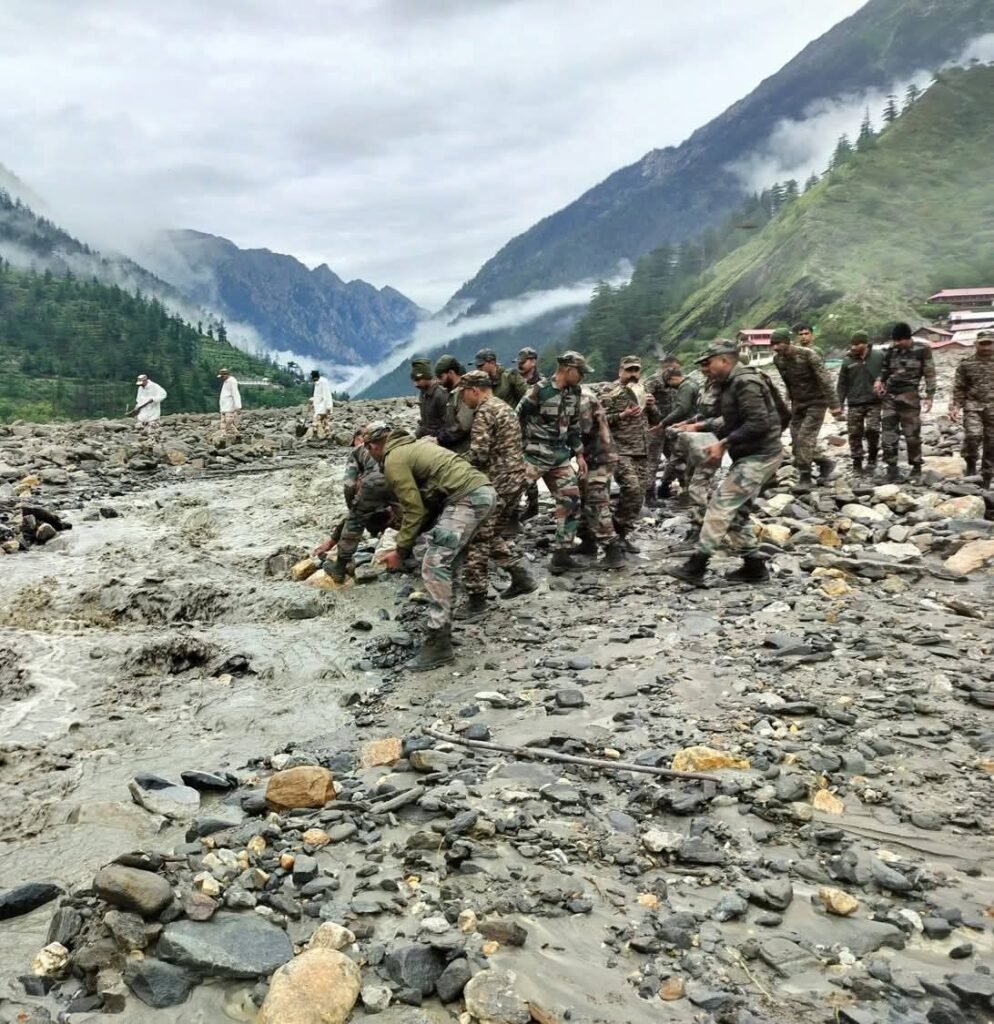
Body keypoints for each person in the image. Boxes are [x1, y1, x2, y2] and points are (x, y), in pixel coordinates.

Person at [366, 426, 496, 671]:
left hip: (467, 499)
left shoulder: (393, 459)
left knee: (434, 566)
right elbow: (427, 506)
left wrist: (400, 550)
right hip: (483, 492)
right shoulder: (415, 447)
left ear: (373, 447)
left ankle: (438, 644)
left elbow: (414, 509)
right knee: (449, 565)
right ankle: (443, 634)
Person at [667, 341, 784, 584]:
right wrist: (699, 425)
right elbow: (731, 419)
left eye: (708, 363)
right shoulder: (730, 383)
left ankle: (696, 567)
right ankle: (754, 568)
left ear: (725, 360)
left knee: (720, 507)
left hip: (760, 456)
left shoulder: (745, 382)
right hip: (753, 454)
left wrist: (724, 443)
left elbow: (758, 422)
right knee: (737, 514)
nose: (704, 369)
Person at [456, 370, 537, 619]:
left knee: (477, 539)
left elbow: (479, 454)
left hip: (497, 483)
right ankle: (520, 575)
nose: (463, 400)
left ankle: (477, 601)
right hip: (515, 481)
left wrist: (451, 463)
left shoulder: (485, 412)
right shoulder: (503, 407)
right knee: (490, 536)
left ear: (474, 390)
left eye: (463, 395)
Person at [516, 351, 589, 575]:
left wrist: (579, 454)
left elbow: (574, 425)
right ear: (568, 369)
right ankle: (490, 548)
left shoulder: (574, 392)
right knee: (505, 498)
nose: (583, 377)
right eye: (581, 372)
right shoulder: (540, 391)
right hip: (533, 456)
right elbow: (515, 418)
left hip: (559, 457)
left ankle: (561, 554)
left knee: (571, 500)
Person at [316, 423, 396, 584]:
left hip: (376, 483)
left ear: (360, 440)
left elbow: (349, 486)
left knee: (356, 520)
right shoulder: (399, 443)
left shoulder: (357, 453)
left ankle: (339, 568)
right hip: (398, 481)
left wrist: (352, 508)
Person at [602, 355, 660, 550]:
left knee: (638, 495)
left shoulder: (643, 390)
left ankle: (622, 535)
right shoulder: (610, 391)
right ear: (620, 371)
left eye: (636, 370)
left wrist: (652, 406)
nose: (633, 374)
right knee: (631, 488)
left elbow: (656, 421)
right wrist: (622, 415)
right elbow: (599, 420)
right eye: (629, 370)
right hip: (620, 450)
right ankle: (612, 533)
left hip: (642, 451)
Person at [771, 328, 840, 490]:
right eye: (773, 344)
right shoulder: (778, 360)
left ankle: (805, 477)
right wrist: (789, 402)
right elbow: (788, 383)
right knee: (796, 441)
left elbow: (825, 380)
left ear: (787, 342)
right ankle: (825, 463)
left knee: (804, 438)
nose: (775, 347)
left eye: (778, 343)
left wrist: (835, 405)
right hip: (798, 403)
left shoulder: (808, 355)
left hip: (817, 402)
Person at [874, 321, 936, 482]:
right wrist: (880, 380)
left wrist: (930, 395)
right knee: (888, 434)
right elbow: (885, 369)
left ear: (908, 338)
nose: (897, 343)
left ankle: (916, 468)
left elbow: (929, 373)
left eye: (900, 340)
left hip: (910, 397)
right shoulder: (891, 350)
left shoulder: (923, 350)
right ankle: (891, 469)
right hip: (890, 397)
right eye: (895, 340)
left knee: (912, 435)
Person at [576, 385, 626, 568]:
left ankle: (613, 552)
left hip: (600, 457)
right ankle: (587, 542)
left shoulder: (583, 398)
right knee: (583, 496)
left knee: (596, 502)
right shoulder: (580, 394)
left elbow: (584, 428)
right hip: (594, 456)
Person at [950, 329, 994, 488]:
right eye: (983, 344)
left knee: (991, 442)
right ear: (976, 344)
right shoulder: (966, 364)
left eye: (989, 343)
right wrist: (955, 406)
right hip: (973, 406)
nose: (986, 347)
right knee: (973, 436)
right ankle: (970, 463)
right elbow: (959, 388)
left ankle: (987, 474)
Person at [836, 331, 884, 475]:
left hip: (874, 401)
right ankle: (857, 463)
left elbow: (887, 372)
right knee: (854, 433)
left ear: (865, 343)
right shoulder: (847, 361)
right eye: (852, 344)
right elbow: (842, 384)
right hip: (854, 402)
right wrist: (839, 403)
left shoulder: (878, 356)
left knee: (872, 430)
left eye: (858, 344)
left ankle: (872, 457)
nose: (854, 347)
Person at [653, 365, 702, 498]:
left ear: (672, 378)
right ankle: (686, 485)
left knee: (676, 457)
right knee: (688, 457)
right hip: (695, 425)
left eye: (669, 384)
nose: (671, 388)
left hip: (687, 428)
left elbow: (682, 408)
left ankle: (665, 486)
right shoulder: (693, 383)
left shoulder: (685, 387)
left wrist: (664, 422)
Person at [644, 355, 682, 502]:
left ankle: (665, 487)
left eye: (676, 368)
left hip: (671, 427)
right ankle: (649, 495)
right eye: (670, 368)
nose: (673, 371)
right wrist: (656, 419)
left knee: (676, 457)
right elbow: (644, 400)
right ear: (664, 367)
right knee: (652, 462)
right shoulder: (654, 381)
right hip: (655, 427)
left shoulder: (675, 382)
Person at [517, 347, 541, 519]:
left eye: (523, 362)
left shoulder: (542, 383)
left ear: (533, 361)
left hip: (536, 433)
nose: (520, 365)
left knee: (531, 471)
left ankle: (534, 505)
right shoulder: (516, 381)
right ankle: (530, 503)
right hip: (518, 431)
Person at [434, 355, 475, 452]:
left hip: (466, 450)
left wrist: (439, 439)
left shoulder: (465, 392)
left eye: (441, 377)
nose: (438, 381)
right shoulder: (451, 393)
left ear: (451, 373)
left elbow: (463, 426)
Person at [411, 358, 448, 440]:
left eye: (418, 380)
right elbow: (424, 423)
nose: (415, 384)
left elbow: (449, 425)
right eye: (414, 380)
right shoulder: (423, 394)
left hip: (440, 441)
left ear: (427, 376)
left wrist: (437, 439)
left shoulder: (440, 394)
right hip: (427, 439)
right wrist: (414, 436)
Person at [309, 369, 334, 440]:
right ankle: (328, 435)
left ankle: (315, 435)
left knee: (315, 419)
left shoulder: (323, 382)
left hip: (323, 405)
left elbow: (327, 394)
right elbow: (317, 395)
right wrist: (313, 401)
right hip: (320, 405)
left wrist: (328, 406)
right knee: (325, 421)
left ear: (315, 377)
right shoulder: (317, 383)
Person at [217, 368, 242, 438]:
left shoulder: (232, 381)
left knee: (229, 422)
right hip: (224, 407)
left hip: (229, 406)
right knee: (223, 423)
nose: (221, 378)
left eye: (222, 376)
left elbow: (235, 393)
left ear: (226, 375)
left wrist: (238, 406)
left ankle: (234, 435)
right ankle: (224, 435)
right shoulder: (226, 382)